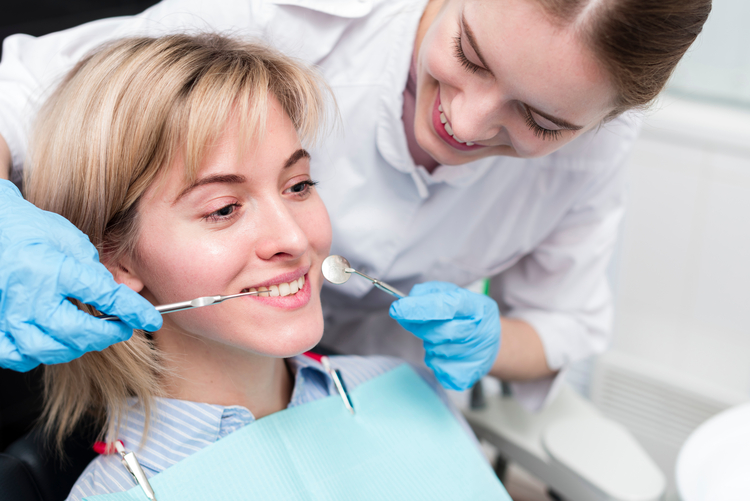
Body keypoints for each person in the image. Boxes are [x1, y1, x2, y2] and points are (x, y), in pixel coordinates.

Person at [0, 0, 711, 410]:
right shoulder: (276, 15)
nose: (463, 127)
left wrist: (496, 342)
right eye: (469, 54)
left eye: (542, 120)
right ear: (117, 256)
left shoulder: (598, 151)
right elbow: (17, 98)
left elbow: (564, 323)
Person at [24, 33, 478, 500]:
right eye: (223, 209)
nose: (295, 239)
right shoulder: (113, 493)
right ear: (112, 260)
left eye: (298, 186)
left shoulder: (405, 390)